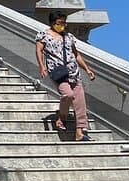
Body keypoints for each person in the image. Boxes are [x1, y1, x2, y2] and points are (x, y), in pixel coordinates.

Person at [35, 11, 96, 142]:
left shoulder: (69, 37)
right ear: (52, 23)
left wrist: (87, 69)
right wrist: (41, 66)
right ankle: (62, 117)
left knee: (80, 101)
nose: (62, 25)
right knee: (67, 94)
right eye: (59, 23)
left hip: (73, 71)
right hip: (57, 71)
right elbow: (39, 50)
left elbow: (76, 54)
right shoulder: (44, 35)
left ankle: (80, 131)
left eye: (64, 22)